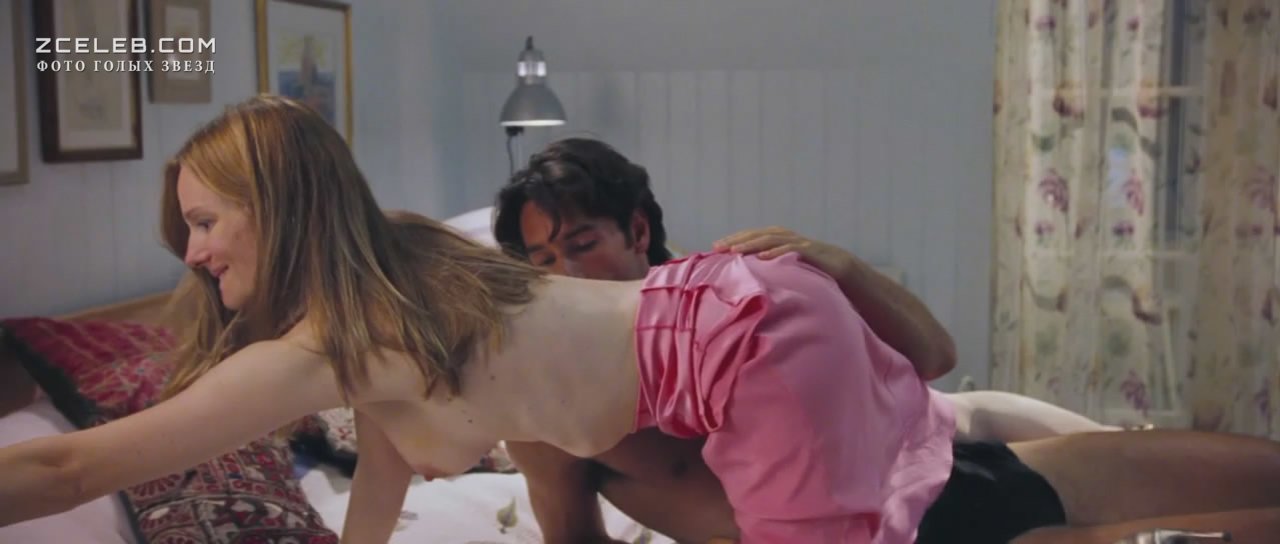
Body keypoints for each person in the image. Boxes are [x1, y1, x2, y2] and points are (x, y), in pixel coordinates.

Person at [0, 97, 1274, 544]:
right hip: (740, 313)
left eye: (207, 221)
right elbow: (382, 464)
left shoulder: (322, 343)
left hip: (738, 343)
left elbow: (67, 466)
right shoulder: (397, 284)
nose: (194, 253)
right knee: (993, 484)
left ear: (279, 210)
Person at [490, 137, 1280, 543]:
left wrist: (843, 266)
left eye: (582, 243)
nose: (568, 273)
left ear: (636, 231)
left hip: (960, 468)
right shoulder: (549, 409)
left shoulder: (738, 292)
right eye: (544, 260)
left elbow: (933, 358)